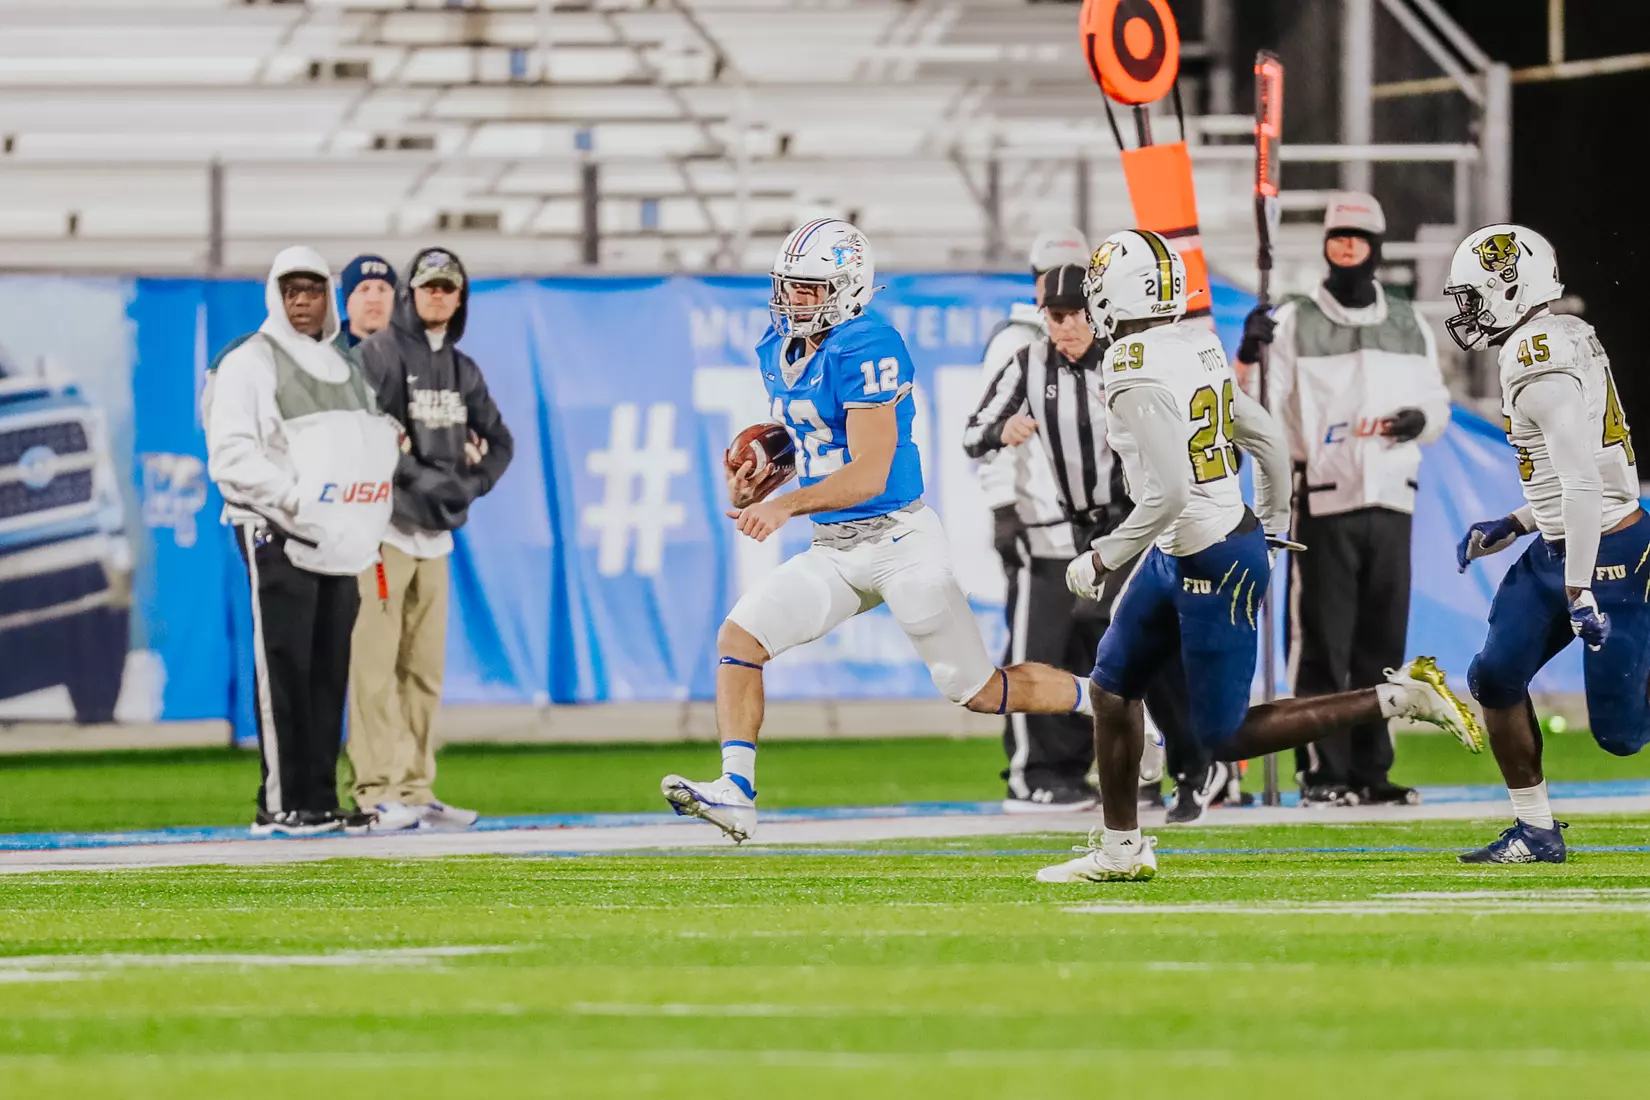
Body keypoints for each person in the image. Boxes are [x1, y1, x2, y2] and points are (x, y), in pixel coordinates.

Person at [1034, 230, 1483, 884]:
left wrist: (1103, 556)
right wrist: (1270, 518)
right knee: (1111, 688)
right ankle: (1121, 850)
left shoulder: (1129, 365)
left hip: (1211, 559)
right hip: (1195, 548)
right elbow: (1266, 437)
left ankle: (1398, 696)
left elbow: (1168, 492)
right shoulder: (1193, 342)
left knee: (1227, 736)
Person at [661, 218, 1107, 844]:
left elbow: (870, 471)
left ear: (847, 288)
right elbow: (811, 437)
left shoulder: (869, 344)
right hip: (835, 549)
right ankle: (736, 791)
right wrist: (758, 480)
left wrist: (785, 506)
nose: (793, 301)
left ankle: (1101, 699)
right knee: (740, 639)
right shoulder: (780, 346)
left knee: (978, 690)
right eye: (789, 287)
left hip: (900, 542)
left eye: (809, 289)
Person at [967, 264, 1222, 822]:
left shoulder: (1132, 360)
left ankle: (1179, 763)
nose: (1066, 327)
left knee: (1145, 650)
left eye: (1077, 314)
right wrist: (998, 437)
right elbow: (973, 432)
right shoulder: (1027, 365)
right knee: (1044, 651)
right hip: (1055, 532)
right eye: (1055, 316)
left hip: (1130, 529)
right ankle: (1038, 773)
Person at [1238, 192, 1453, 808]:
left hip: (1392, 498)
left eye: (1359, 236)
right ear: (1326, 245)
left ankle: (1371, 769)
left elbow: (1436, 402)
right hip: (1324, 499)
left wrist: (1421, 421)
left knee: (1382, 644)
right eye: (1338, 236)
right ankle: (1322, 772)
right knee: (1322, 646)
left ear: (1377, 247)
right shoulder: (1296, 319)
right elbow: (1262, 407)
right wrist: (1250, 354)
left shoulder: (1409, 319)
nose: (1348, 246)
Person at [1449, 225, 1649, 864]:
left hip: (1609, 552)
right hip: (1566, 542)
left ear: (1512, 290)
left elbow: (1587, 481)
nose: (1469, 313)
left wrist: (1580, 586)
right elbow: (1569, 473)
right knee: (1495, 675)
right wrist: (1517, 521)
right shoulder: (1559, 335)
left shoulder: (1538, 358)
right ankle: (1535, 830)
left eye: (1476, 296)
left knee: (1621, 737)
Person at [204, 247, 400, 837]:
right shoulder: (248, 361)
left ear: (328, 298)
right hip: (273, 528)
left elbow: (368, 443)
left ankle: (318, 796)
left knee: (327, 667)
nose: (301, 301)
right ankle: (280, 802)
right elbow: (230, 455)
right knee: (284, 665)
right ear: (274, 296)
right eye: (289, 291)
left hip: (338, 536)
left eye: (312, 290)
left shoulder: (345, 368)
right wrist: (296, 501)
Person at [351, 248, 514, 832]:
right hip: (383, 533)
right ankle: (375, 791)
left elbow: (500, 442)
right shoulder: (378, 354)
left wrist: (468, 486)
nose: (438, 297)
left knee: (423, 670)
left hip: (437, 539)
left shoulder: (463, 369)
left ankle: (416, 789)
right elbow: (364, 435)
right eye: (428, 288)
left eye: (449, 289)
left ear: (460, 297)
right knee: (373, 665)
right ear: (409, 294)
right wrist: (423, 481)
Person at [339, 254, 397, 348]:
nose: (374, 299)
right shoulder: (328, 354)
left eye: (382, 289)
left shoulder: (415, 352)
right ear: (347, 301)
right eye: (364, 289)